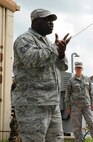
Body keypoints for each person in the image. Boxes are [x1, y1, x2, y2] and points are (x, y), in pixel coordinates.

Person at [12, 8, 71, 142]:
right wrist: (55, 49)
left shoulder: (48, 43)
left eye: (52, 20)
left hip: (51, 102)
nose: (51, 23)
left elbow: (63, 66)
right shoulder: (24, 39)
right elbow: (32, 59)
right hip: (32, 104)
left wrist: (61, 53)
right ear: (36, 21)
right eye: (47, 20)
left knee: (56, 139)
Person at [66, 62, 93, 142]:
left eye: (80, 68)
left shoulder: (87, 79)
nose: (78, 69)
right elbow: (67, 94)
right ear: (75, 69)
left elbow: (91, 92)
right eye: (77, 68)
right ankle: (79, 140)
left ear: (82, 69)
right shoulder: (71, 80)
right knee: (76, 126)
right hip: (75, 106)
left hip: (86, 105)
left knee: (91, 123)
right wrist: (68, 106)